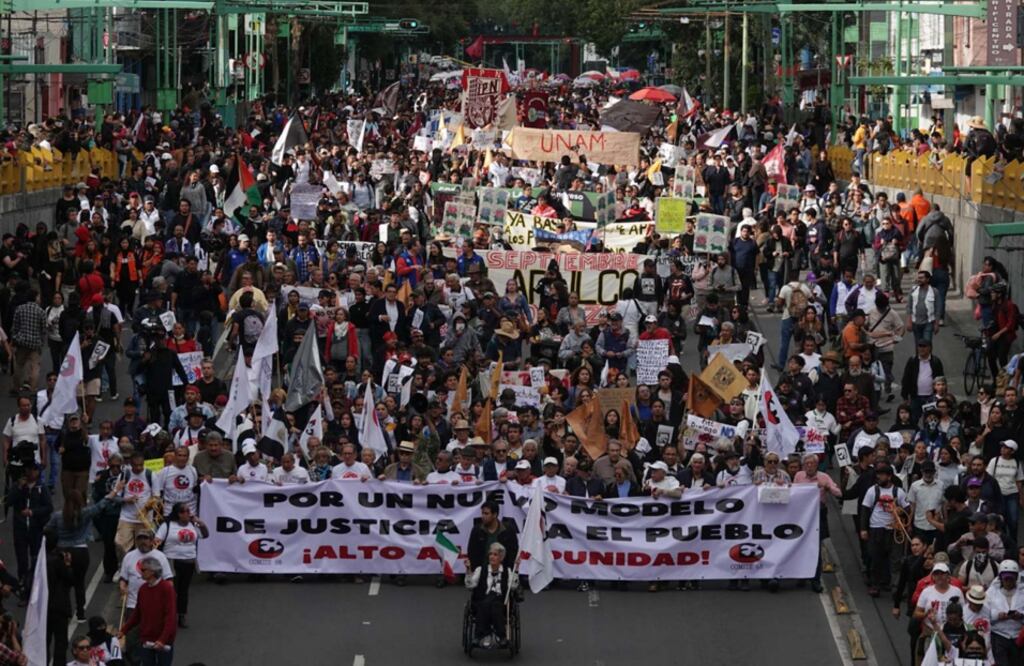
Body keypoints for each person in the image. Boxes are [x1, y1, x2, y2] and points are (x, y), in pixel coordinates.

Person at [154, 502, 208, 628]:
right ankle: (168, 616)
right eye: (186, 512)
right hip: (172, 562)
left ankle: (181, 615)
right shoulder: (167, 525)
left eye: (189, 511)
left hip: (189, 562)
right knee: (171, 590)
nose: (189, 514)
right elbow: (157, 539)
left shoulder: (193, 525)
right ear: (178, 514)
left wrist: (200, 522)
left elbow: (205, 535)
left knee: (183, 591)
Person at [118, 556, 177, 666]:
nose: (140, 572)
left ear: (152, 571)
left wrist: (162, 639)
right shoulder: (143, 589)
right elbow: (137, 614)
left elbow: (171, 616)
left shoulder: (167, 589)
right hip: (146, 638)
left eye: (143, 570)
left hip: (163, 640)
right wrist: (124, 630)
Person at [464, 542, 519, 649]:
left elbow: (513, 586)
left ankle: (482, 635)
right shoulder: (481, 570)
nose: (492, 557)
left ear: (501, 558)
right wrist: (468, 569)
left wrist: (516, 569)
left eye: (495, 555)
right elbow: (470, 585)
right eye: (490, 554)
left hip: (500, 601)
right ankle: (499, 636)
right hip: (482, 599)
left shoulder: (507, 571)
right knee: (487, 603)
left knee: (495, 604)